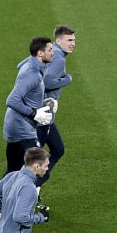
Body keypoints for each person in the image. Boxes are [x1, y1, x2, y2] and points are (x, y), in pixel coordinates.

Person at [0, 37, 53, 230]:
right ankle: (23, 211)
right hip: (22, 128)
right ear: (40, 53)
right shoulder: (31, 74)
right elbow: (12, 99)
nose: (52, 52)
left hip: (14, 127)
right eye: (49, 49)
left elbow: (21, 64)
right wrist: (34, 112)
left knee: (13, 171)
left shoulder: (30, 65)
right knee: (39, 166)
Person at [37, 25, 75, 185]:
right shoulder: (58, 57)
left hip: (44, 113)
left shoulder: (51, 53)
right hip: (42, 114)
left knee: (58, 148)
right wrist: (68, 79)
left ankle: (36, 180)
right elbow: (48, 81)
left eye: (74, 40)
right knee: (33, 155)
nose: (73, 43)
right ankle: (33, 183)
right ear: (58, 40)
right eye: (69, 40)